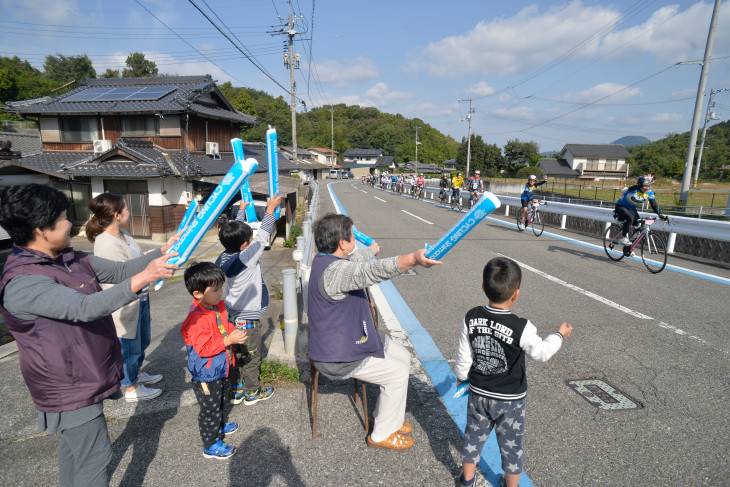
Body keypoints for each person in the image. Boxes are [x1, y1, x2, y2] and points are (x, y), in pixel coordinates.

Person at [0, 184, 178, 487]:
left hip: (83, 374)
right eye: (63, 217)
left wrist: (159, 254)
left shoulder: (68, 258)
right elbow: (85, 307)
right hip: (66, 384)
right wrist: (144, 278)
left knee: (75, 454)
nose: (72, 223)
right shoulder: (23, 282)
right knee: (95, 458)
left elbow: (121, 271)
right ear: (41, 229)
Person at [307, 214, 441, 451]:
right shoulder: (336, 272)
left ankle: (385, 418)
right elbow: (370, 272)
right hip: (337, 355)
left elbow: (355, 261)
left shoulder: (323, 260)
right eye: (352, 236)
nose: (354, 241)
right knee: (398, 372)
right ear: (342, 243)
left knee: (403, 357)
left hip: (347, 337)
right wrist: (413, 259)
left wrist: (371, 250)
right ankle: (379, 435)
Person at [454, 257, 572, 487]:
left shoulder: (471, 316)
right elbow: (541, 353)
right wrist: (559, 335)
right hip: (511, 400)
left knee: (473, 437)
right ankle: (511, 485)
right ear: (516, 294)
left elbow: (463, 355)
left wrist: (461, 377)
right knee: (511, 444)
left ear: (483, 288)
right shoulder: (521, 327)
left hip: (479, 394)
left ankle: (466, 479)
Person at [86, 193, 163, 402]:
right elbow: (123, 275)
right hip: (124, 305)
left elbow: (139, 260)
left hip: (140, 299)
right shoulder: (106, 243)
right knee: (128, 346)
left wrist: (162, 251)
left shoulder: (124, 235)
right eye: (126, 209)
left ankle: (136, 373)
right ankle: (130, 387)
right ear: (116, 215)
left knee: (142, 341)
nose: (129, 212)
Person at [215, 193, 281, 406]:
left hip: (232, 316)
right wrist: (270, 210)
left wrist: (241, 212)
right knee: (252, 357)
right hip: (249, 317)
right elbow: (262, 236)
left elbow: (237, 234)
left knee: (236, 355)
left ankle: (237, 390)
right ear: (245, 246)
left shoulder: (224, 256)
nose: (252, 242)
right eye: (248, 241)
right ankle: (253, 393)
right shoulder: (247, 257)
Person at [180, 262, 248, 460]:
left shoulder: (216, 307)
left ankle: (219, 425)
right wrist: (229, 340)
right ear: (197, 294)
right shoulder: (196, 320)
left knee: (220, 400)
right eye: (215, 289)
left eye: (221, 287)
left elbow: (224, 325)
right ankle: (210, 444)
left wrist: (232, 331)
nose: (220, 293)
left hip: (221, 366)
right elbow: (203, 349)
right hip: (206, 373)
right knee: (210, 409)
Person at [614, 174, 667, 245]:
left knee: (639, 226)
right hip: (621, 207)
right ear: (640, 185)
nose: (647, 188)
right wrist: (642, 184)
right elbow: (631, 188)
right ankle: (623, 238)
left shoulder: (649, 192)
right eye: (645, 186)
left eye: (649, 186)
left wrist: (660, 214)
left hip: (632, 209)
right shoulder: (634, 190)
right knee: (630, 219)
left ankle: (629, 248)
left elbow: (654, 204)